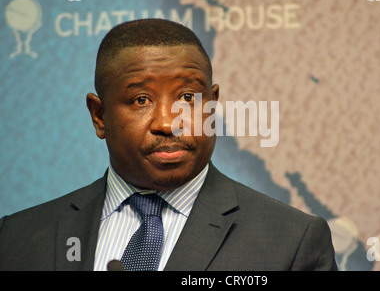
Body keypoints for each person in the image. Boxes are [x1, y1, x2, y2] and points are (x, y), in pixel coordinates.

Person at [0, 19, 337, 271]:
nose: (167, 122)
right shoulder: (17, 239)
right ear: (99, 115)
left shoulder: (292, 241)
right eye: (141, 99)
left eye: (188, 97)